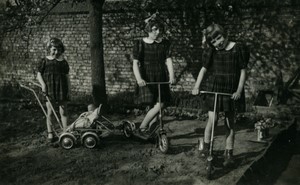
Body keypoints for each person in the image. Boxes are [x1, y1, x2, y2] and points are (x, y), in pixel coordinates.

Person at [192, 23, 249, 166]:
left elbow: (243, 71)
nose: (218, 43)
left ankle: (229, 152)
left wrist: (239, 90)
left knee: (230, 123)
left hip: (231, 90)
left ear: (224, 34)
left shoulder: (237, 48)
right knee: (213, 119)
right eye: (214, 41)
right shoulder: (211, 51)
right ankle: (206, 146)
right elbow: (203, 69)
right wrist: (196, 86)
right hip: (215, 87)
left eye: (219, 38)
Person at [132, 14, 175, 135]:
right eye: (154, 29)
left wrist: (172, 76)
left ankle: (150, 130)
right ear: (148, 30)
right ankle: (143, 127)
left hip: (161, 75)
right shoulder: (141, 43)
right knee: (155, 104)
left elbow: (168, 60)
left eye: (159, 29)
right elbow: (135, 63)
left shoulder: (164, 43)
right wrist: (139, 78)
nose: (158, 32)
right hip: (147, 76)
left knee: (160, 103)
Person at [36, 37, 70, 143]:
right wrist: (43, 85)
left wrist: (69, 89)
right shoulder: (44, 61)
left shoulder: (63, 62)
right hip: (49, 88)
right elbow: (38, 75)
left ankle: (65, 131)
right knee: (50, 111)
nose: (56, 52)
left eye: (59, 50)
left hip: (61, 88)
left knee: (63, 110)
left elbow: (67, 77)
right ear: (49, 49)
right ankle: (50, 133)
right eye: (54, 49)